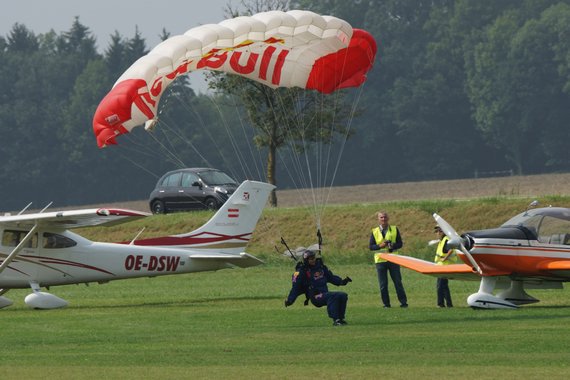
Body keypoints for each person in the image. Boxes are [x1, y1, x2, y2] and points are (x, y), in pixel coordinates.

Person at [284, 250, 352, 326]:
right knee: (333, 296)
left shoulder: (321, 268)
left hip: (324, 294)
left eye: (314, 258)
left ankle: (340, 319)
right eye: (311, 259)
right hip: (316, 296)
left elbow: (331, 277)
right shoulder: (302, 272)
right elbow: (295, 288)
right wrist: (290, 300)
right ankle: (336, 320)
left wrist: (342, 282)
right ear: (306, 260)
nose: (313, 260)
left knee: (343, 295)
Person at [369, 211, 408, 308]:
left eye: (385, 217)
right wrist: (380, 246)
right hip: (380, 261)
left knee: (398, 282)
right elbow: (371, 247)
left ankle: (403, 303)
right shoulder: (375, 231)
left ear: (388, 218)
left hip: (393, 259)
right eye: (381, 217)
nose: (383, 219)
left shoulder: (394, 229)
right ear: (378, 219)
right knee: (383, 284)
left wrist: (393, 245)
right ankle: (386, 304)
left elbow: (400, 244)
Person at [434, 226, 456, 308]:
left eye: (440, 231)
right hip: (441, 266)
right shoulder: (442, 240)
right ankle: (449, 304)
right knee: (444, 286)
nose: (438, 233)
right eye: (437, 231)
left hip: (445, 266)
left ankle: (440, 304)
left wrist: (445, 258)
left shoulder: (446, 239)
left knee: (440, 286)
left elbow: (451, 249)